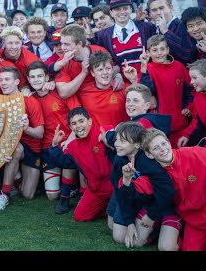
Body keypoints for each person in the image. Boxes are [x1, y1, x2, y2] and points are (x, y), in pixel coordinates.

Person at [108, 122, 179, 250]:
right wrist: (129, 223)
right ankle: (141, 224)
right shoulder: (120, 158)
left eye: (122, 141)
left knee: (137, 241)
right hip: (130, 197)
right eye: (116, 140)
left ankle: (157, 229)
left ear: (137, 144)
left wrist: (151, 214)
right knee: (118, 235)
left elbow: (167, 192)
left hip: (152, 201)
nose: (116, 144)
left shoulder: (148, 162)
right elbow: (120, 192)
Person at [141, 128, 206, 251]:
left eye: (164, 143)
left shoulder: (193, 154)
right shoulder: (155, 174)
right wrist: (127, 179)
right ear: (149, 154)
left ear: (169, 142)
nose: (163, 149)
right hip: (193, 219)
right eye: (155, 148)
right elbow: (142, 190)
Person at [48, 107, 114, 221]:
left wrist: (110, 141)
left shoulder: (104, 131)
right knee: (79, 216)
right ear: (71, 128)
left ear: (90, 121)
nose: (78, 126)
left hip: (115, 186)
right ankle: (106, 208)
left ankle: (113, 207)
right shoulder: (73, 146)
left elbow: (123, 147)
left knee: (117, 216)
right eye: (74, 123)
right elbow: (65, 162)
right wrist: (54, 145)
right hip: (96, 189)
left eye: (81, 121)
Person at [0, 67, 44, 210]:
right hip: (11, 146)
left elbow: (40, 133)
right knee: (16, 149)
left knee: (28, 194)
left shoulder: (29, 101)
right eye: (1, 80)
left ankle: (16, 177)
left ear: (17, 81)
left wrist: (26, 128)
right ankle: (5, 194)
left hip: (31, 146)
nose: (3, 83)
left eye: (7, 79)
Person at [27, 61, 80, 201]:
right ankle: (68, 183)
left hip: (68, 143)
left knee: (70, 155)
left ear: (47, 78)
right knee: (52, 195)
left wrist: (70, 140)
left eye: (40, 76)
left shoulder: (60, 92)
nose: (36, 80)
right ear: (28, 80)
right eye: (33, 77)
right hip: (48, 147)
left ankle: (73, 183)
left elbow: (79, 117)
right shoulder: (29, 98)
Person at [140, 34, 193, 147]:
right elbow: (146, 93)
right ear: (148, 53)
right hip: (159, 125)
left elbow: (191, 90)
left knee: (181, 155)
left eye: (162, 49)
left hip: (180, 122)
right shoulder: (148, 69)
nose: (159, 53)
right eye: (155, 50)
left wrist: (189, 107)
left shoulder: (179, 67)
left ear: (168, 50)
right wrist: (143, 68)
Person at [91, 0, 155, 75]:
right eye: (117, 9)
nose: (122, 12)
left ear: (131, 10)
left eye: (125, 8)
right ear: (111, 13)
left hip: (147, 80)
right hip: (123, 84)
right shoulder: (102, 36)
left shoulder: (147, 28)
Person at [78, 50, 130, 126]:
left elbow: (150, 103)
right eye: (100, 69)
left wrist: (133, 80)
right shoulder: (83, 91)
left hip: (120, 136)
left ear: (112, 70)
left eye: (108, 68)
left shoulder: (124, 88)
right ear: (92, 73)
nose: (105, 72)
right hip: (96, 137)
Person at [145, 0, 194, 65]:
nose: (158, 13)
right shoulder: (153, 28)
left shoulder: (182, 25)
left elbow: (187, 55)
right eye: (154, 10)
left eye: (161, 8)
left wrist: (166, 31)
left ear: (171, 7)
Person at [178, 59, 206, 147]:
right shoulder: (198, 96)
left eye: (194, 77)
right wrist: (186, 134)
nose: (191, 82)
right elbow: (197, 119)